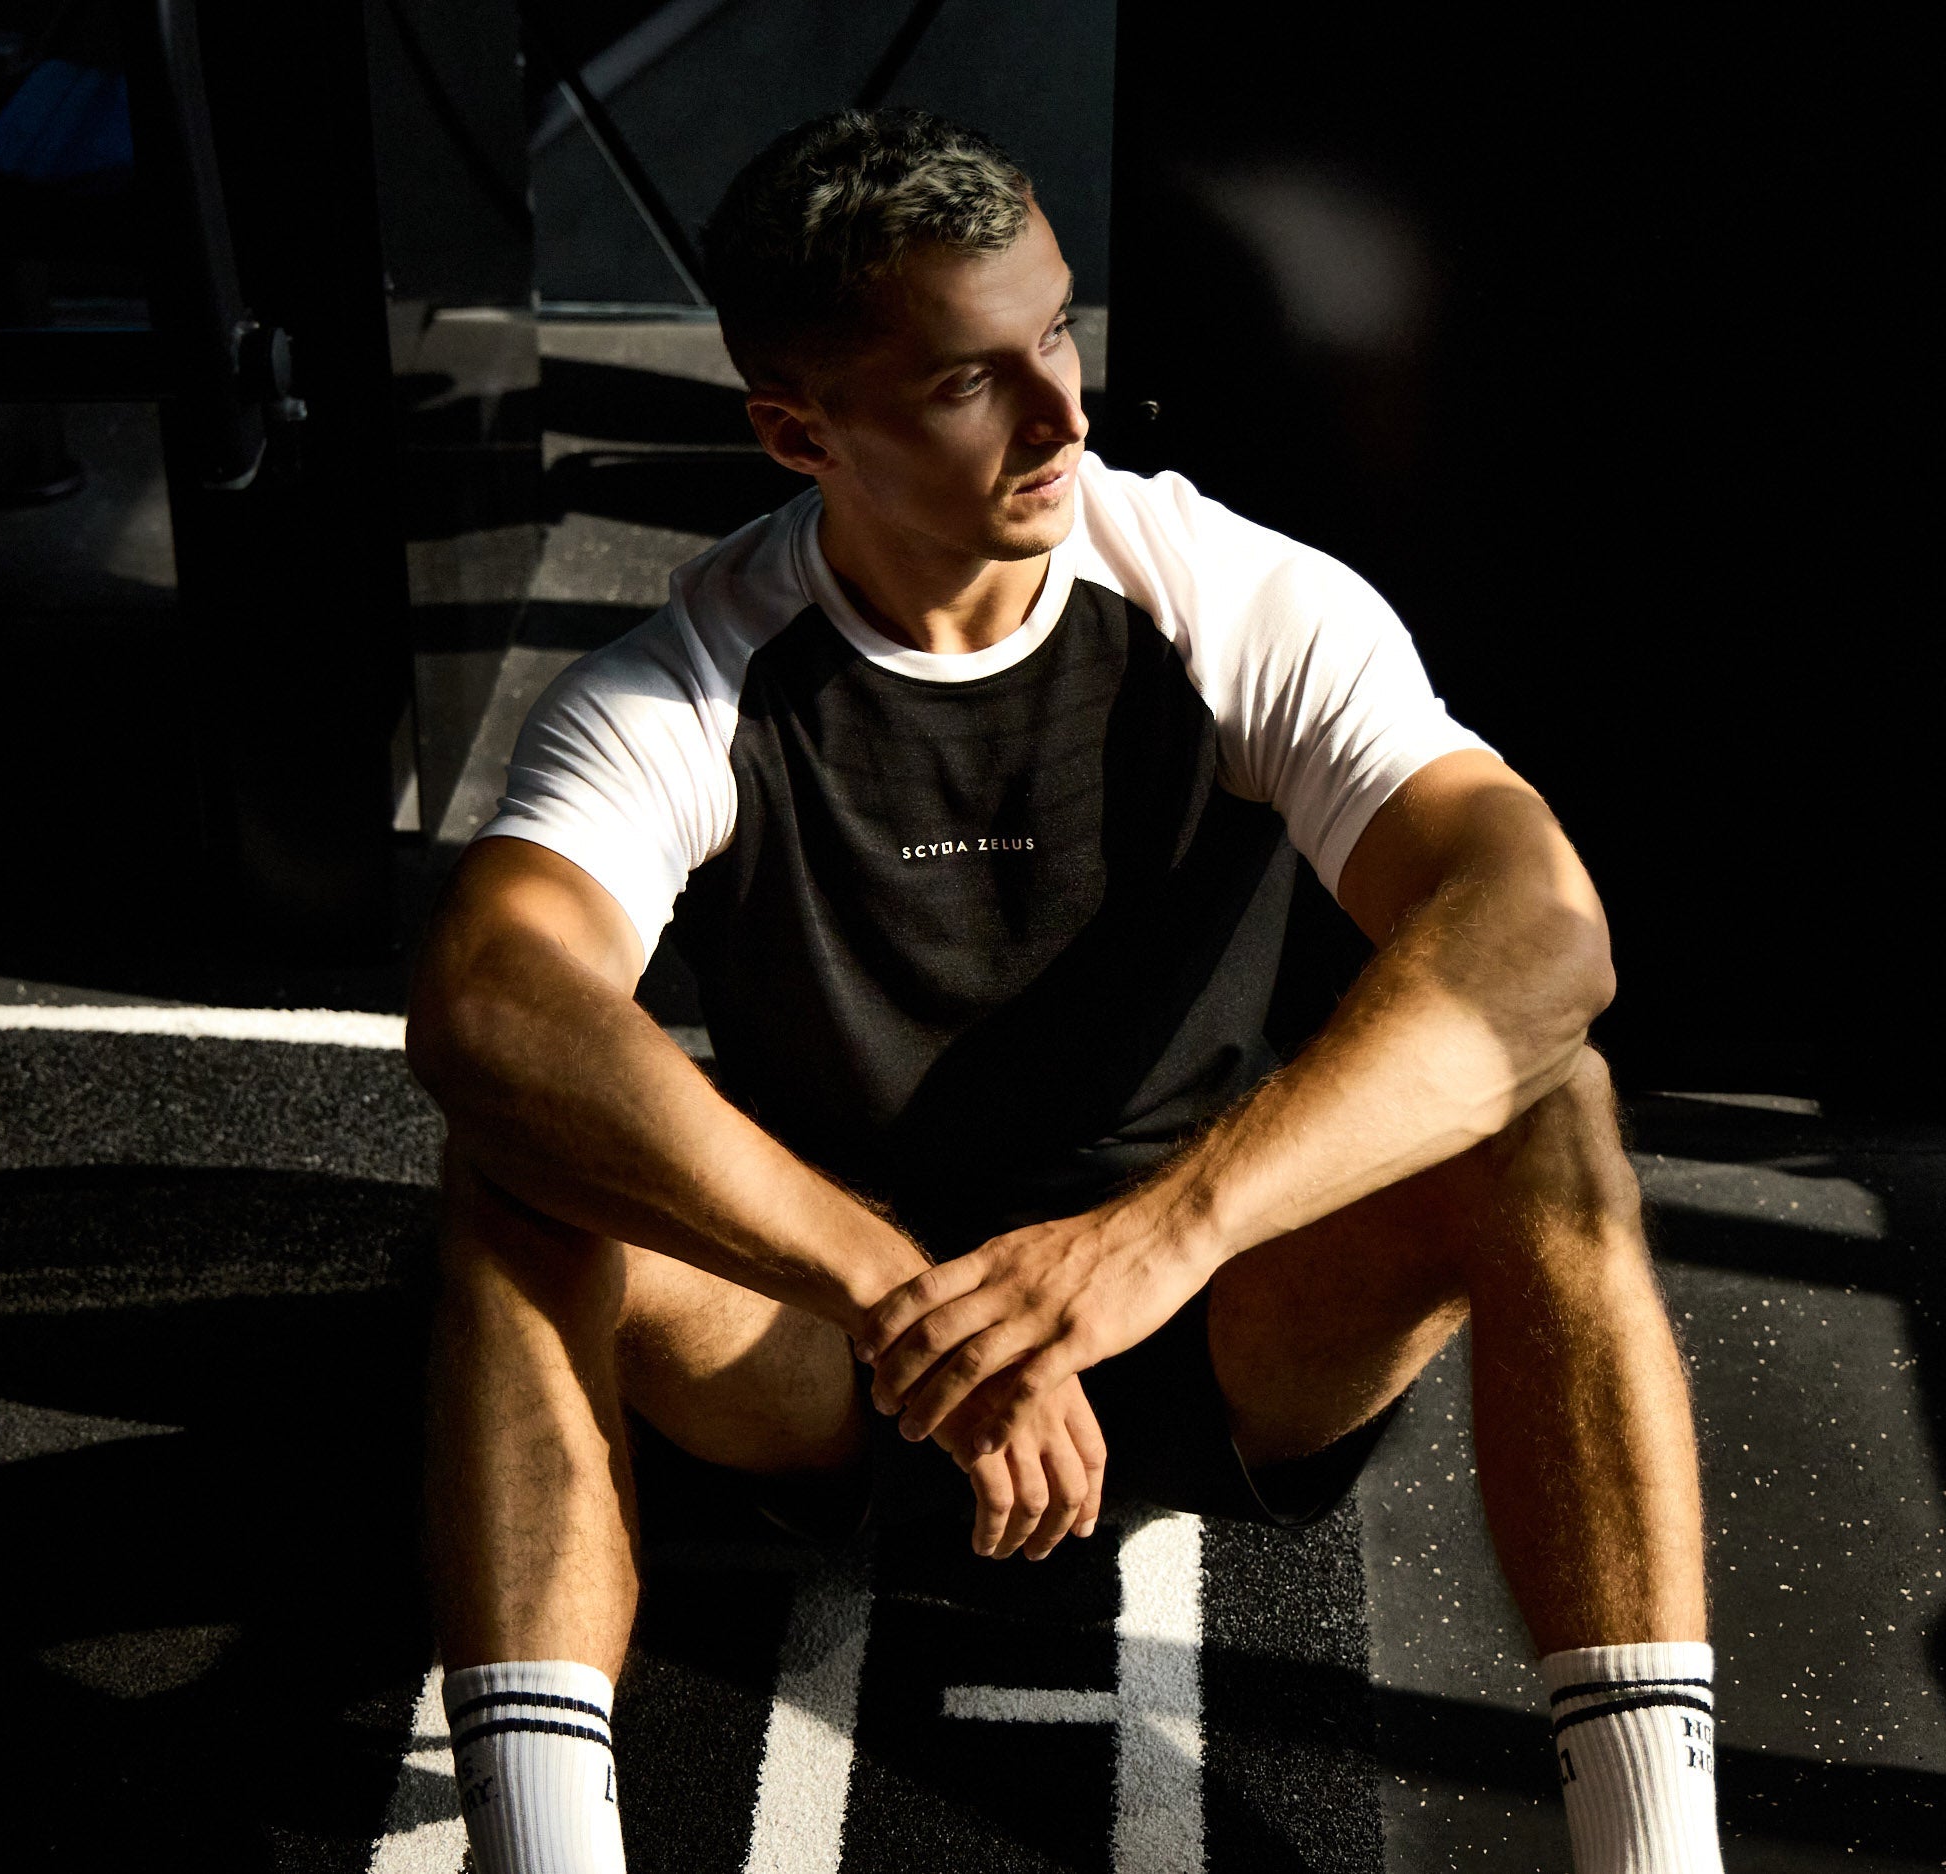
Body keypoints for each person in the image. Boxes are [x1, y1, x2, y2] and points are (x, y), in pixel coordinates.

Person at [406, 107, 1718, 1874]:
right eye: (970, 380)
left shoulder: (1227, 598)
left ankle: (1657, 1855)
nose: (1059, 414)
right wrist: (898, 1294)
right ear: (800, 431)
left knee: (1548, 1097)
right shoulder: (687, 684)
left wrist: (1155, 1240)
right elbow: (489, 1004)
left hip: (1209, 1323)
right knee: (519, 1155)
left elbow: (1543, 934)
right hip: (832, 1347)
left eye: (1054, 333)